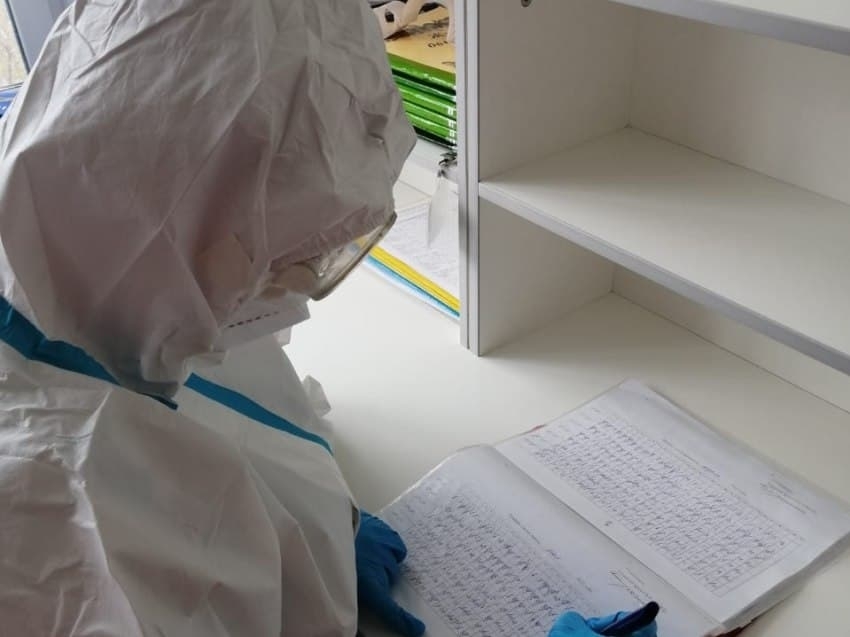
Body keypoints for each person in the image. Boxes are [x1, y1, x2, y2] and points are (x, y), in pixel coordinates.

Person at [0, 1, 658, 636]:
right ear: (193, 213)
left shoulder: (107, 265)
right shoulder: (48, 530)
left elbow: (219, 406)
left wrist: (318, 525)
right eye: (279, 255)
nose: (294, 287)